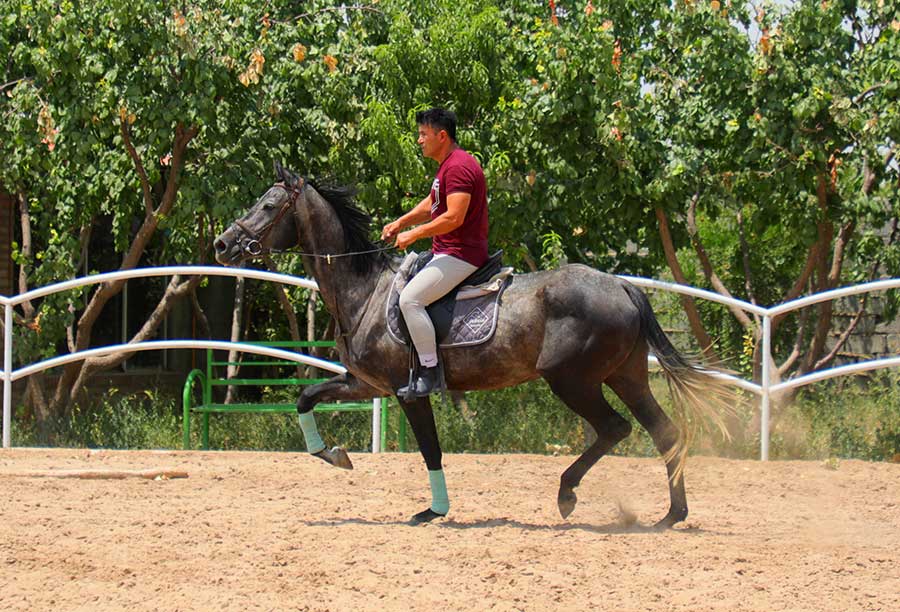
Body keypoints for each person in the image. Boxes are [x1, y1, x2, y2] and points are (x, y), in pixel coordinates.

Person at [381, 108, 489, 397]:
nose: (419, 141)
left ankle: (429, 371)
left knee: (410, 299)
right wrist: (401, 221)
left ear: (442, 136)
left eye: (423, 134)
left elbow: (453, 217)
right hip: (447, 251)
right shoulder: (447, 166)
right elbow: (433, 203)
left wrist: (413, 234)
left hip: (462, 255)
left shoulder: (459, 167)